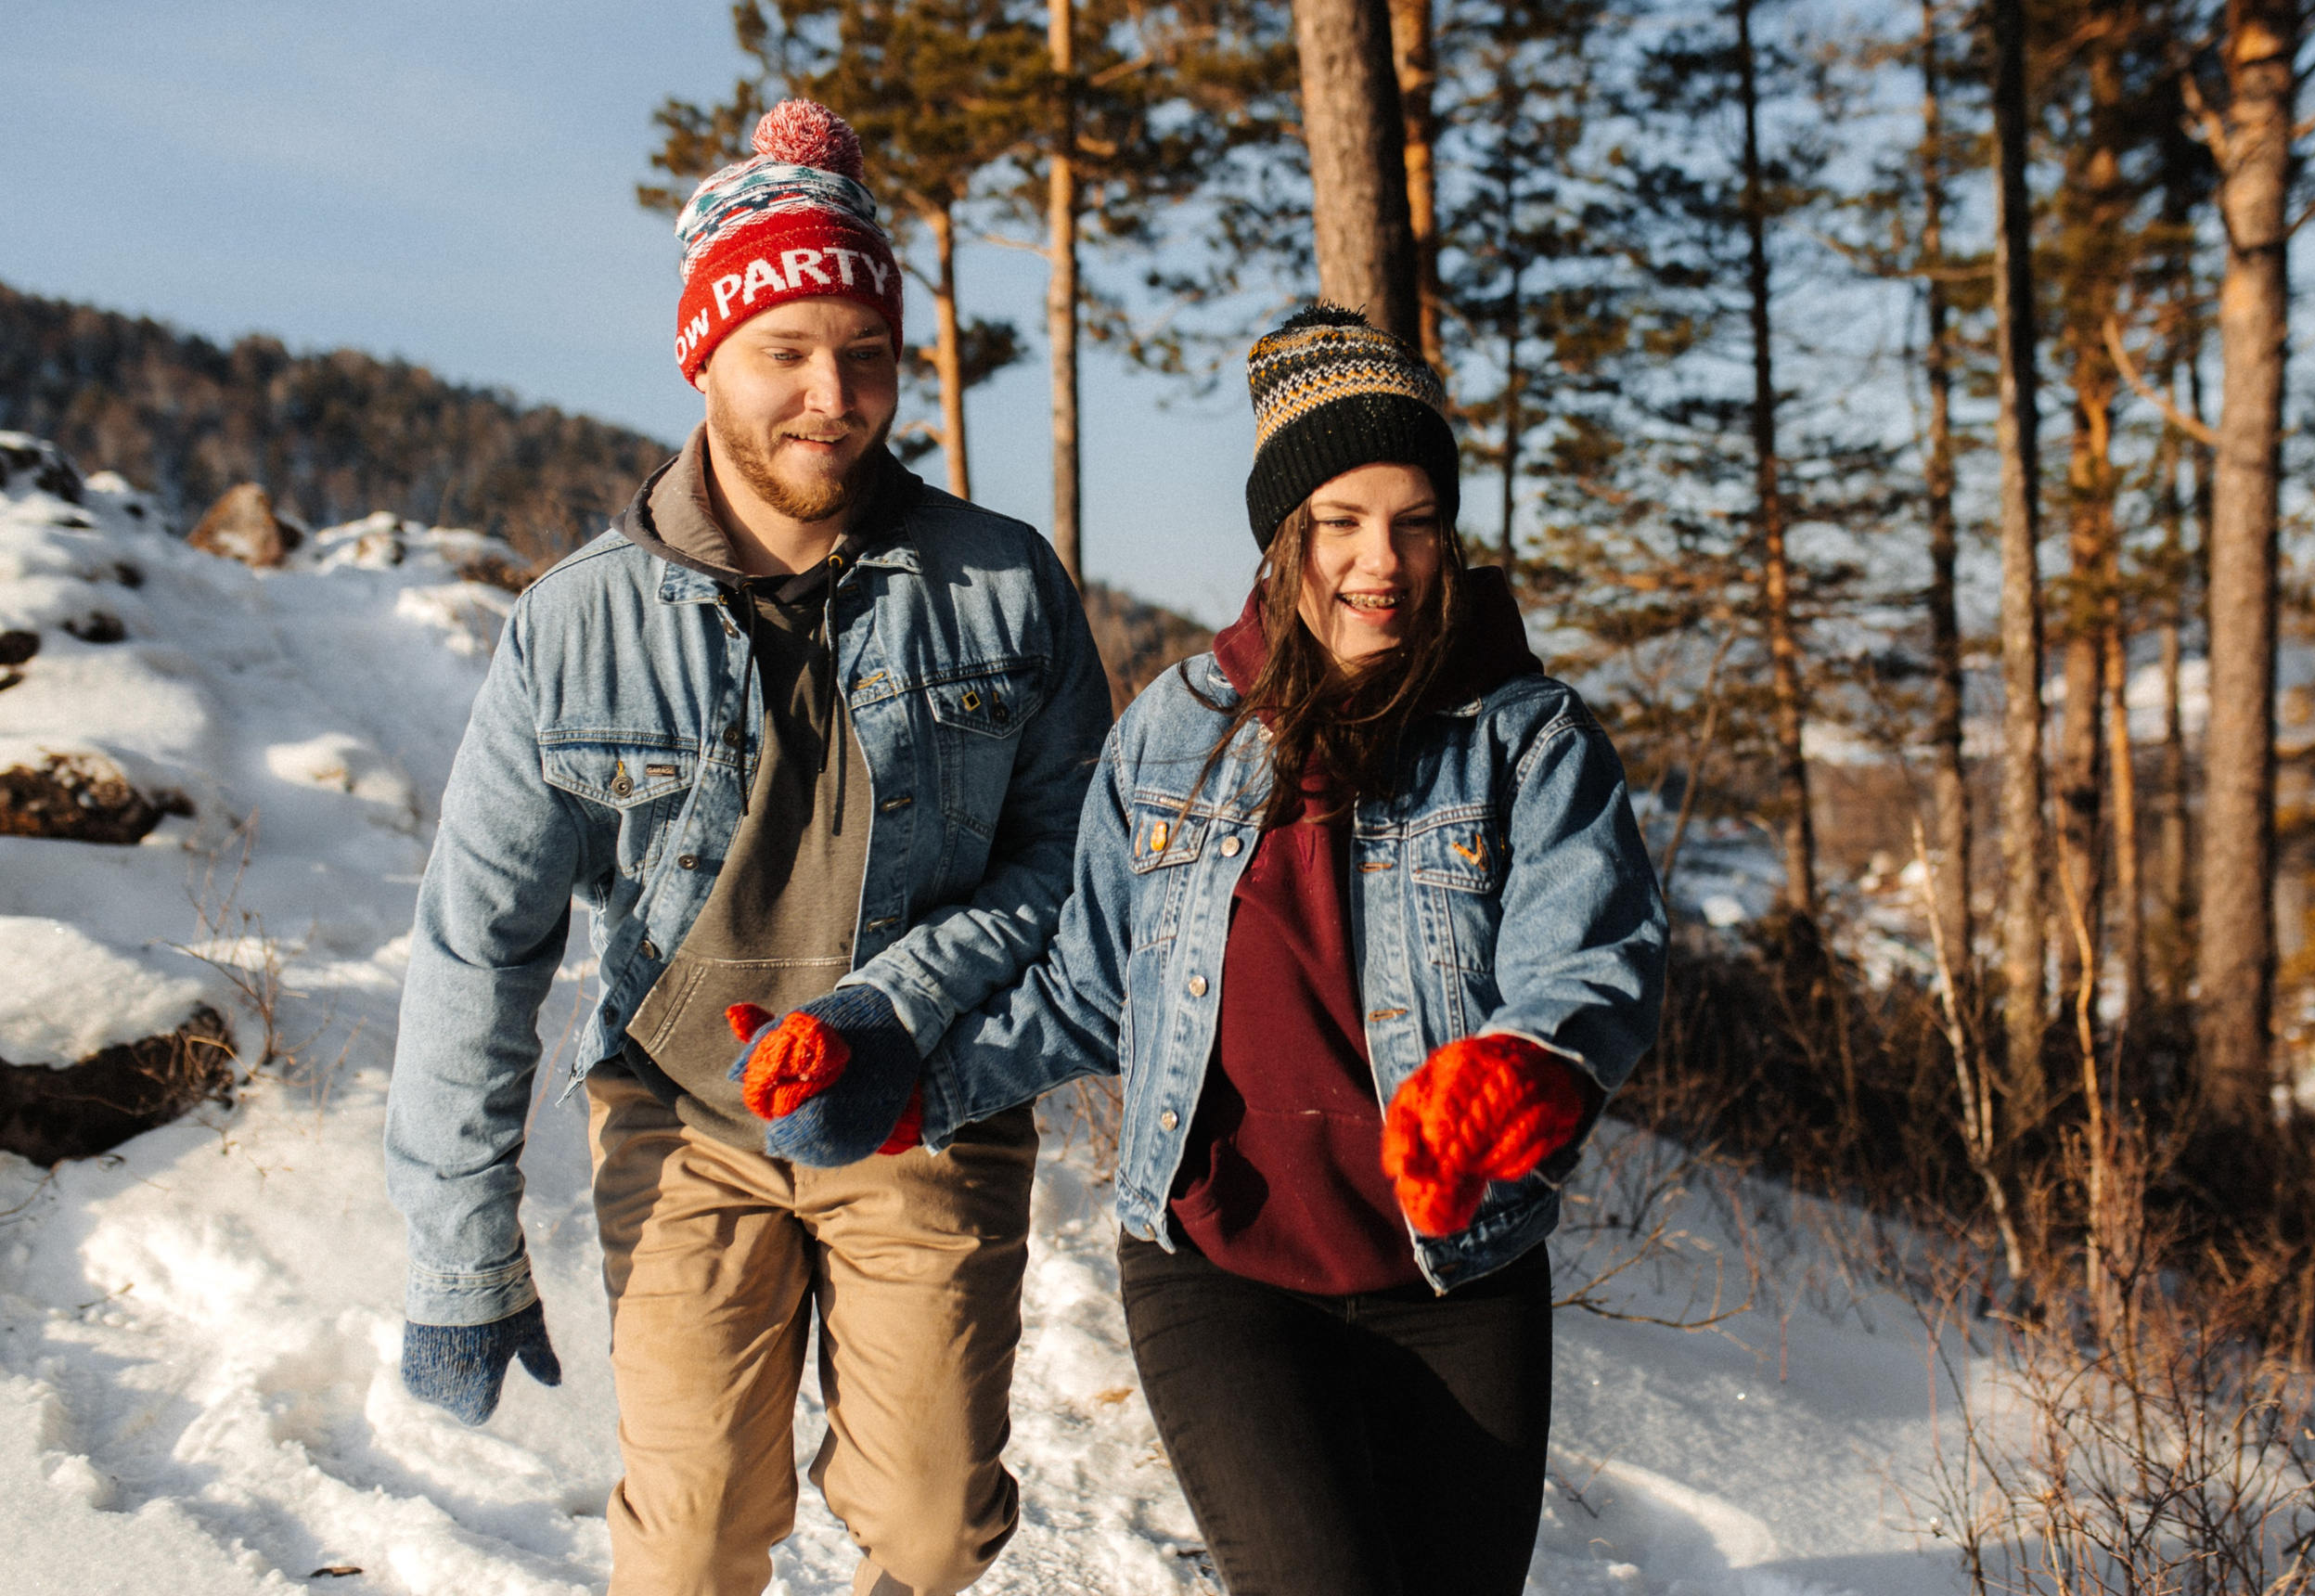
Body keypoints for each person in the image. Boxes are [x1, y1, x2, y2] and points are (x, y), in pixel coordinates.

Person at [381, 99, 1110, 1596]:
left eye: (866, 356)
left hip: (922, 1103)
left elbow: (1069, 872)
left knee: (928, 1527)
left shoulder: (999, 586)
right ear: (704, 352)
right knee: (697, 1532)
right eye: (787, 352)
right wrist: (461, 1254)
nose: (831, 397)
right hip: (685, 1118)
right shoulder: (577, 621)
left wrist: (891, 1017)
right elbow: (479, 941)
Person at [894, 304, 1668, 1594]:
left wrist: (1529, 1069)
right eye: (1342, 521)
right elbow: (1092, 988)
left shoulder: (1528, 739)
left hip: (1457, 1270)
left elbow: (1591, 959)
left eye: (1416, 520)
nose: (1385, 561)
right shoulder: (1171, 735)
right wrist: (919, 1076)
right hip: (1221, 1265)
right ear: (1282, 536)